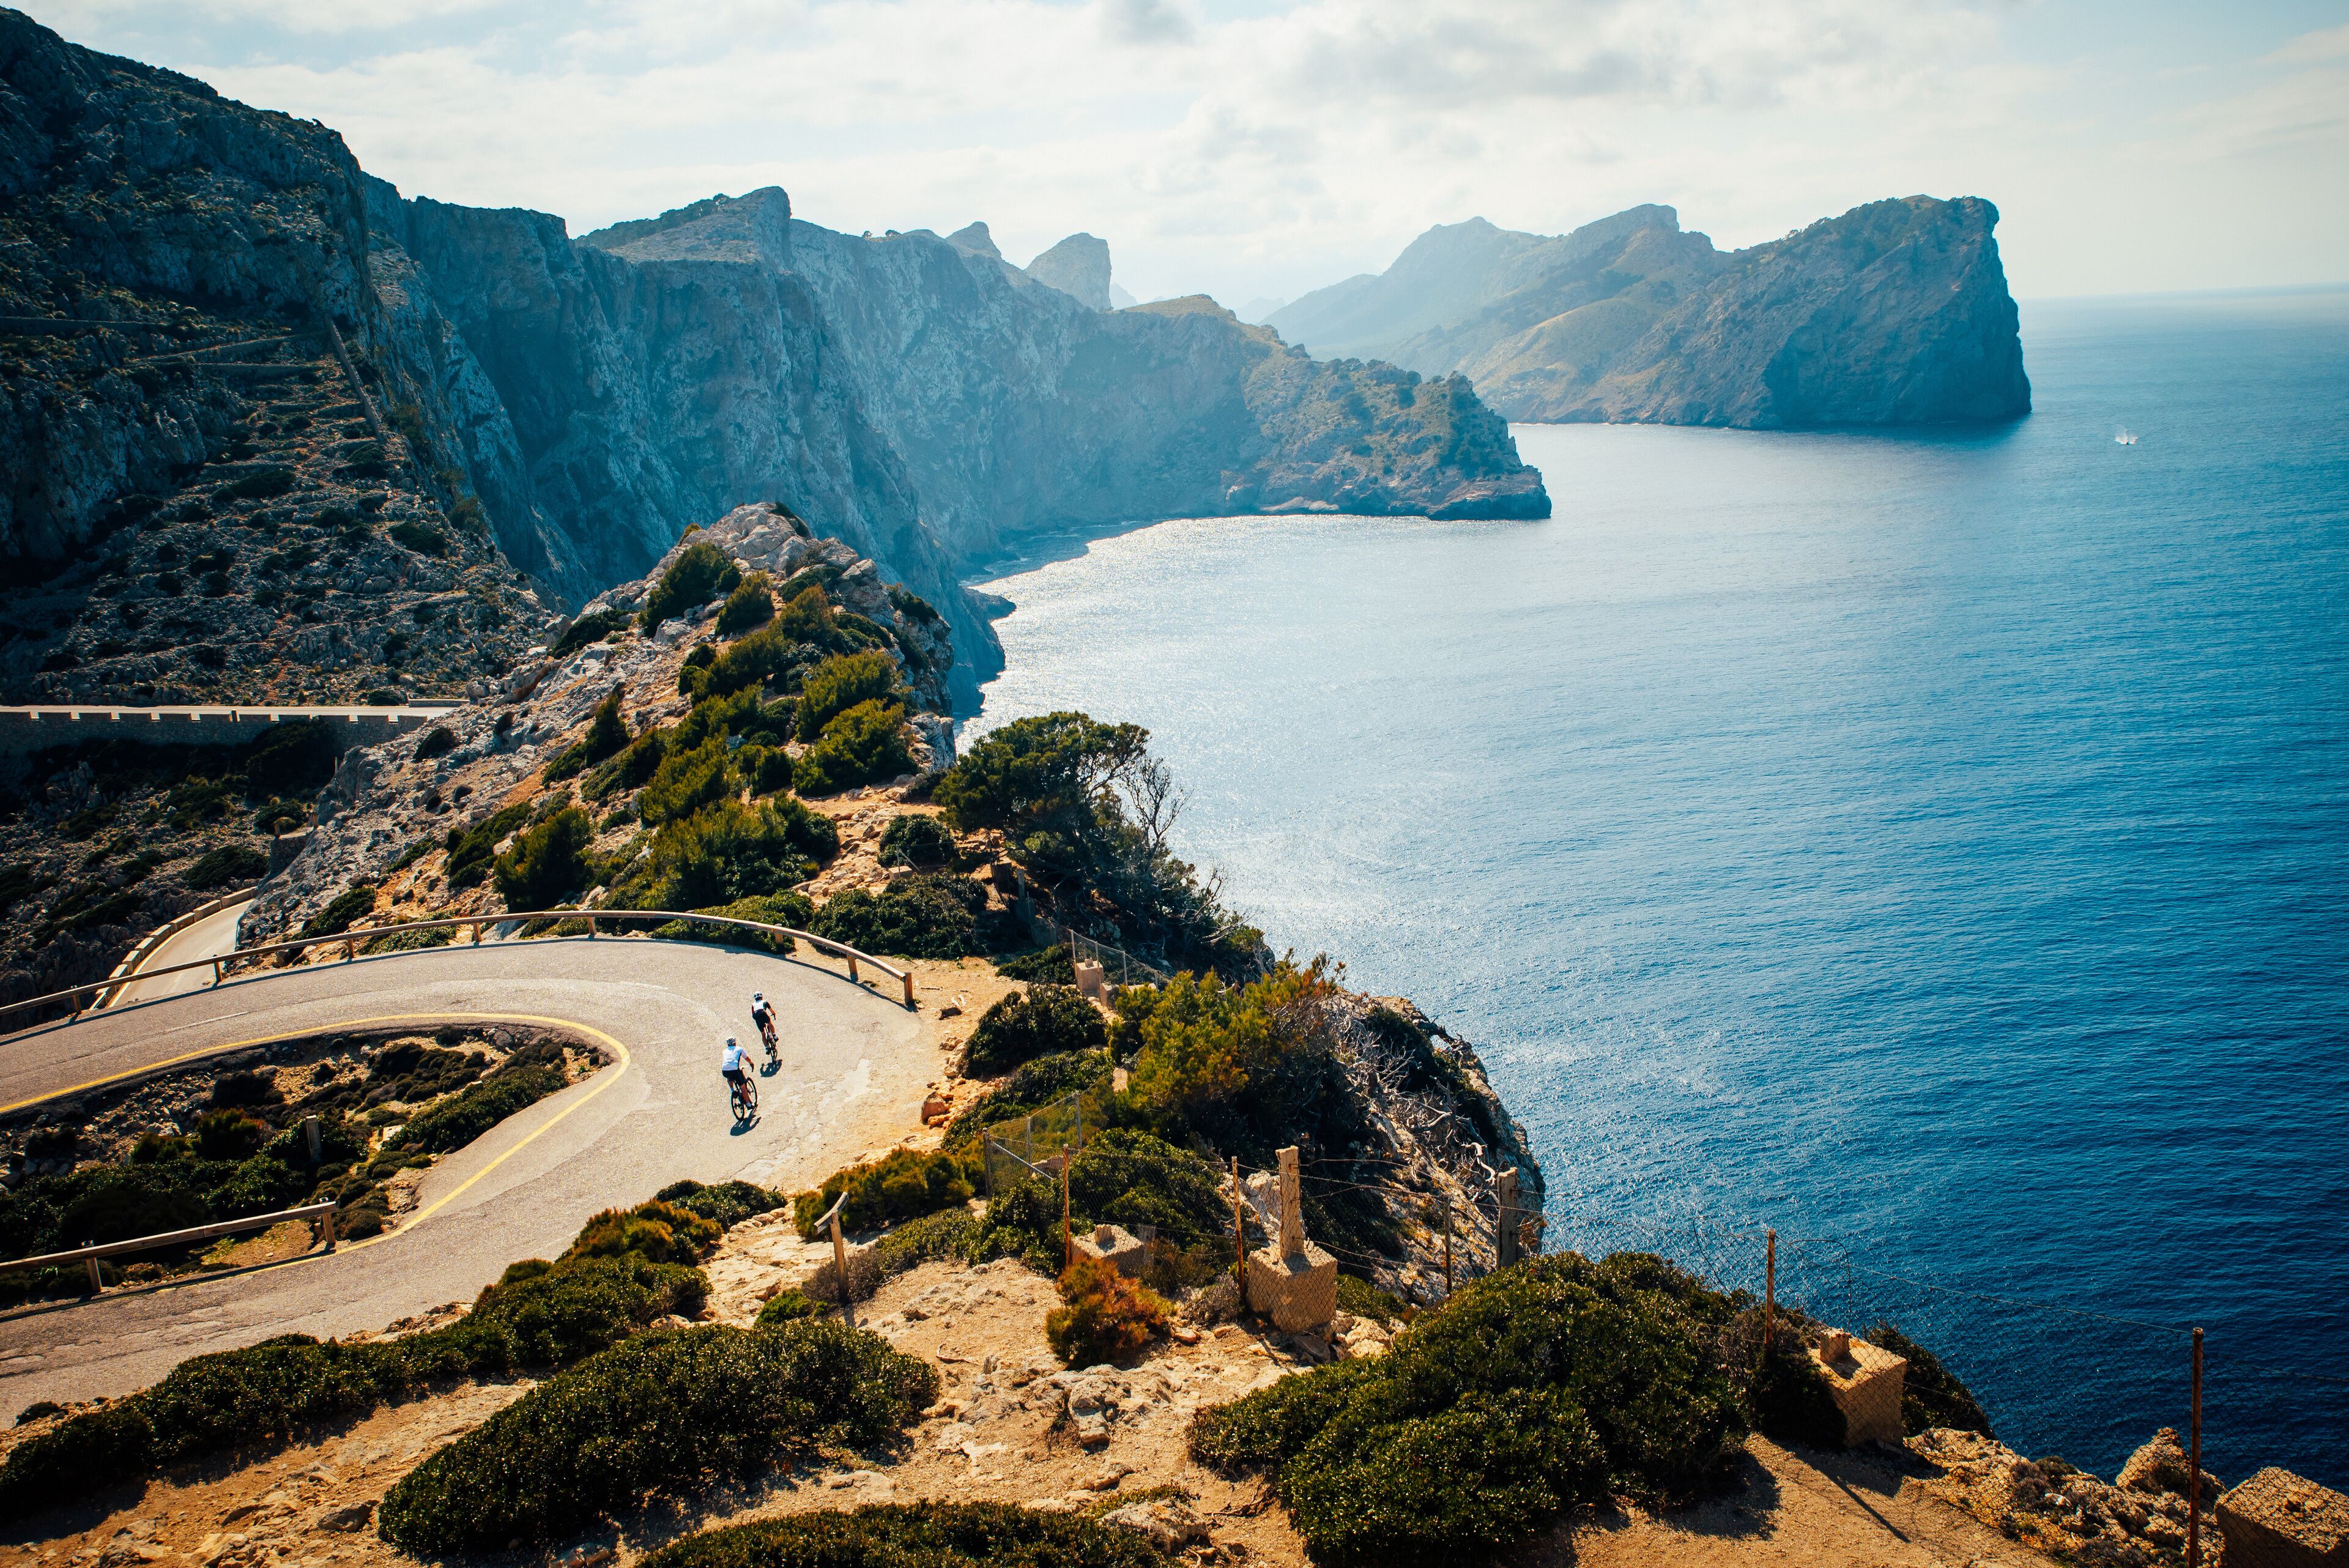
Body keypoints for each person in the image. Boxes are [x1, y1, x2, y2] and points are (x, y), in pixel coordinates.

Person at [720, 1036, 752, 1105]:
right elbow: (747, 1058)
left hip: (724, 1070)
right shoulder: (739, 1049)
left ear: (728, 1044)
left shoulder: (725, 1051)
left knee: (729, 1077)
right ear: (735, 1043)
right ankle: (749, 1104)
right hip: (735, 1070)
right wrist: (751, 1063)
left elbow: (729, 1061)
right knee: (743, 1088)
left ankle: (732, 1090)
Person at [751, 993, 778, 1061]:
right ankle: (774, 1036)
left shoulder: (753, 1005)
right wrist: (774, 1013)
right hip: (763, 1013)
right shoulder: (765, 1002)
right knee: (769, 1023)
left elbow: (752, 1013)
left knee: (763, 1034)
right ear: (762, 997)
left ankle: (767, 1048)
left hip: (756, 1016)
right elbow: (771, 1010)